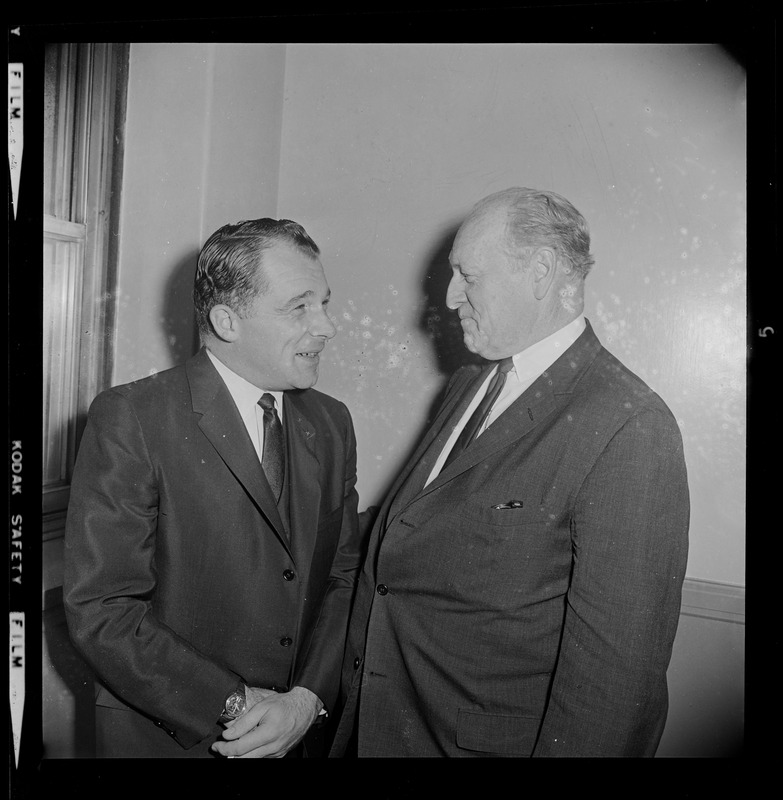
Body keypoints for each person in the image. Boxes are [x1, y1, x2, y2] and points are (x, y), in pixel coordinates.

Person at [328, 187, 690, 758]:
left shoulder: (630, 425)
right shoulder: (471, 385)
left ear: (541, 271)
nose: (450, 298)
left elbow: (617, 689)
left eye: (467, 276)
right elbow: (418, 534)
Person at [63, 217, 362, 758]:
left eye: (324, 303)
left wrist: (306, 699)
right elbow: (103, 607)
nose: (327, 327)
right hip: (171, 735)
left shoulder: (332, 421)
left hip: (297, 730)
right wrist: (236, 706)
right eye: (300, 306)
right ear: (227, 321)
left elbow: (343, 576)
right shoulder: (133, 416)